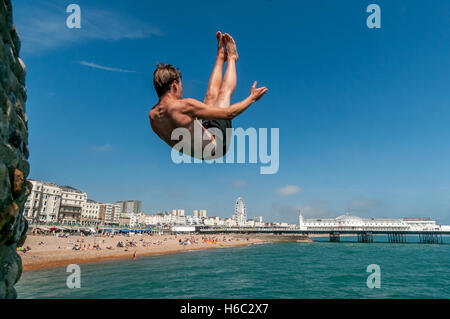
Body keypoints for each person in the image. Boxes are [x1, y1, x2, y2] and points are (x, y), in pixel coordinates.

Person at [149, 32, 268, 159]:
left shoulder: (153, 116)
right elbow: (229, 114)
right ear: (174, 85)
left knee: (210, 96)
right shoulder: (184, 106)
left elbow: (177, 134)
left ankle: (221, 56)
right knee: (222, 96)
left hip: (200, 147)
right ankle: (232, 58)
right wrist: (252, 98)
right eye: (181, 86)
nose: (182, 90)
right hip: (217, 145)